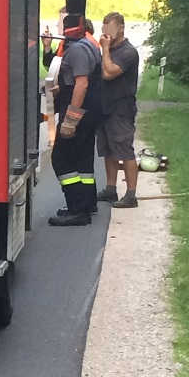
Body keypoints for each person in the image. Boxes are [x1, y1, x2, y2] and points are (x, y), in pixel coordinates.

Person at [47, 13, 103, 226]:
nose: (58, 27)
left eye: (60, 23)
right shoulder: (88, 45)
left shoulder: (77, 50)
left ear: (68, 27)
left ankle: (77, 210)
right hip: (91, 113)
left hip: (80, 113)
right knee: (83, 160)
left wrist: (71, 120)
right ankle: (88, 203)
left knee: (61, 159)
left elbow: (82, 84)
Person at [97, 13, 141, 208]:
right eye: (104, 28)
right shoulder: (110, 49)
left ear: (121, 28)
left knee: (124, 149)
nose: (106, 33)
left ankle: (131, 194)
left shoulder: (128, 52)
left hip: (121, 108)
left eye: (110, 28)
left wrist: (105, 49)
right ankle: (110, 188)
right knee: (108, 150)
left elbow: (108, 73)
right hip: (105, 106)